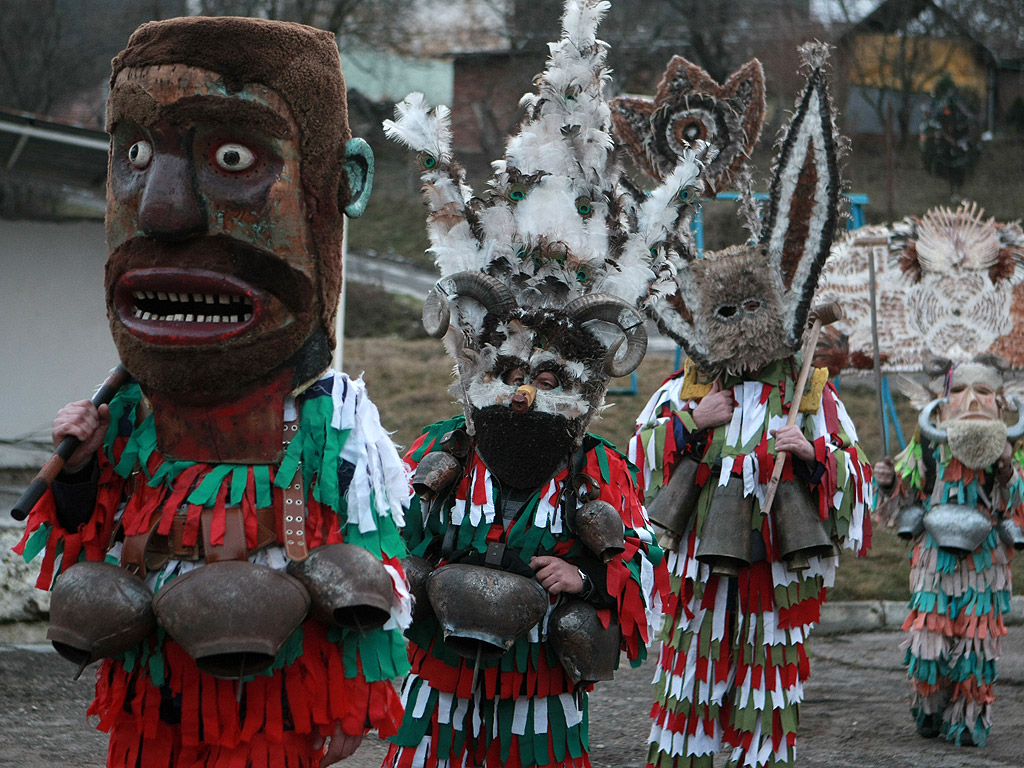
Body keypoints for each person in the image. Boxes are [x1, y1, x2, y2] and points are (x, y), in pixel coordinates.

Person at [15, 17, 411, 768]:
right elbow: (89, 534)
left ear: (339, 183)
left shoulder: (332, 419)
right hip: (156, 686)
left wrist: (351, 699)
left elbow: (370, 563)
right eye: (133, 154)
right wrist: (76, 474)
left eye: (234, 156)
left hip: (277, 694)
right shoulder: (124, 413)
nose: (164, 210)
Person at [377, 1, 689, 765]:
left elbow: (645, 562)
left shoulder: (597, 472)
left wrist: (584, 575)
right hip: (440, 681)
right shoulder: (440, 450)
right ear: (479, 368)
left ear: (583, 384)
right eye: (510, 372)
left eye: (547, 376)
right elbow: (389, 541)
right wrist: (421, 573)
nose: (521, 394)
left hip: (539, 689)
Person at [623, 45, 873, 767]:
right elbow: (637, 462)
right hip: (701, 563)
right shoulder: (688, 390)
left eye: (751, 308)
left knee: (766, 683)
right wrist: (687, 424)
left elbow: (856, 481)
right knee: (694, 671)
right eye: (724, 310)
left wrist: (814, 454)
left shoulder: (813, 397)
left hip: (775, 567)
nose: (739, 326)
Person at [874, 356, 1024, 747]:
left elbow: (1018, 508)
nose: (971, 400)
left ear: (1001, 401)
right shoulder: (926, 443)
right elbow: (903, 499)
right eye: (958, 391)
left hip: (985, 561)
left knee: (976, 648)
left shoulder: (1012, 447)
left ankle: (969, 719)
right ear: (941, 401)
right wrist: (890, 484)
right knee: (928, 644)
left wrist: (1008, 470)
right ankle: (929, 706)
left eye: (984, 392)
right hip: (933, 561)